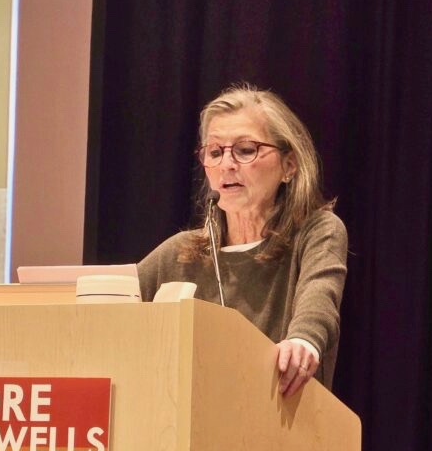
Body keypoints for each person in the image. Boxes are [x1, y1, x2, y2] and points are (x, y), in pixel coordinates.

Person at [137, 83, 347, 397]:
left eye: (246, 150)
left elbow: (320, 299)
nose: (227, 164)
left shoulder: (316, 232)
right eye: (215, 152)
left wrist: (303, 341)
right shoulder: (179, 253)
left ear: (289, 166)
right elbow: (105, 304)